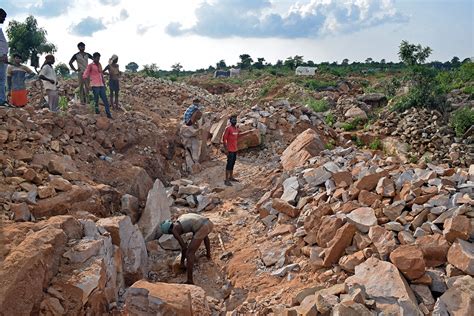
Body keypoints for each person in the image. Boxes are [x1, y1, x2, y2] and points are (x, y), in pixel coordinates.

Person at [160, 213, 214, 284]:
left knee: (189, 253)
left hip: (203, 227)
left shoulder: (174, 231)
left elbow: (184, 248)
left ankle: (190, 280)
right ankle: (208, 255)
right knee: (204, 235)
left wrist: (182, 262)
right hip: (209, 223)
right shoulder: (180, 219)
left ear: (169, 231)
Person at [83, 52, 112, 119]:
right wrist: (87, 86)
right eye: (96, 58)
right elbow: (85, 75)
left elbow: (101, 74)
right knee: (96, 100)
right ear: (93, 58)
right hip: (95, 85)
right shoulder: (90, 65)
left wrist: (104, 84)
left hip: (101, 85)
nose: (98, 59)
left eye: (99, 58)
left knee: (105, 100)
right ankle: (97, 113)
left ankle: (109, 114)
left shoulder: (99, 65)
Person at [222, 115, 241, 186]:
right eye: (233, 120)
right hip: (230, 150)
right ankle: (226, 179)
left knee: (233, 163)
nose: (234, 121)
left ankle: (231, 177)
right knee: (229, 164)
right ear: (230, 121)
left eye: (235, 120)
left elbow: (238, 135)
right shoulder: (228, 128)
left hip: (235, 149)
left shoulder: (236, 129)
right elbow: (224, 139)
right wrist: (226, 149)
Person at [0, 8, 8, 107]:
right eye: (3, 17)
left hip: (2, 59)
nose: (4, 19)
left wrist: (5, 55)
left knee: (2, 81)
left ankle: (2, 100)